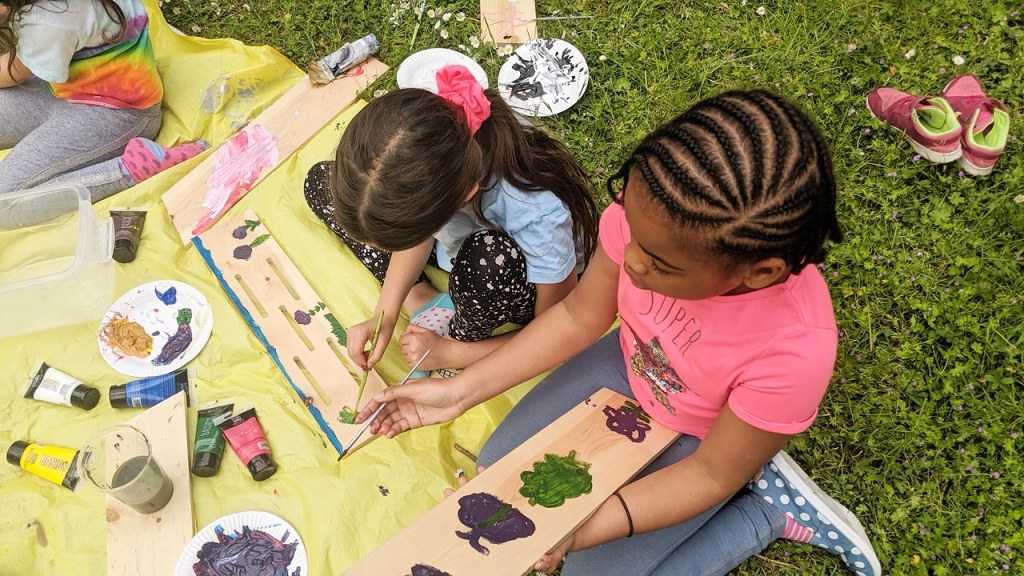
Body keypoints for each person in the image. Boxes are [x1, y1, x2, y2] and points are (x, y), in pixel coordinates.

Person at [357, 90, 882, 576]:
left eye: (659, 264)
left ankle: (765, 512)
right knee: (497, 471)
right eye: (629, 227)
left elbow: (708, 475)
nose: (628, 261)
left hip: (704, 436)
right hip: (627, 367)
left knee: (589, 571)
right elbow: (577, 317)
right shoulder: (650, 222)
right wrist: (457, 393)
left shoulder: (793, 352)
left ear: (760, 272)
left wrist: (582, 528)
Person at [304, 64, 599, 376]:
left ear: (465, 194)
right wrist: (385, 313)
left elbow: (557, 328)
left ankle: (459, 333)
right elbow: (413, 221)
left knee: (490, 259)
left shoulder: (537, 217)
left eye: (411, 234)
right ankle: (422, 297)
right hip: (456, 239)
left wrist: (453, 352)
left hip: (505, 272)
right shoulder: (430, 144)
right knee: (323, 183)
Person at [0, 0, 206, 205]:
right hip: (67, 89)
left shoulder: (48, 21)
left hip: (117, 115)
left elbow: (10, 72)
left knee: (5, 199)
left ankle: (132, 167)